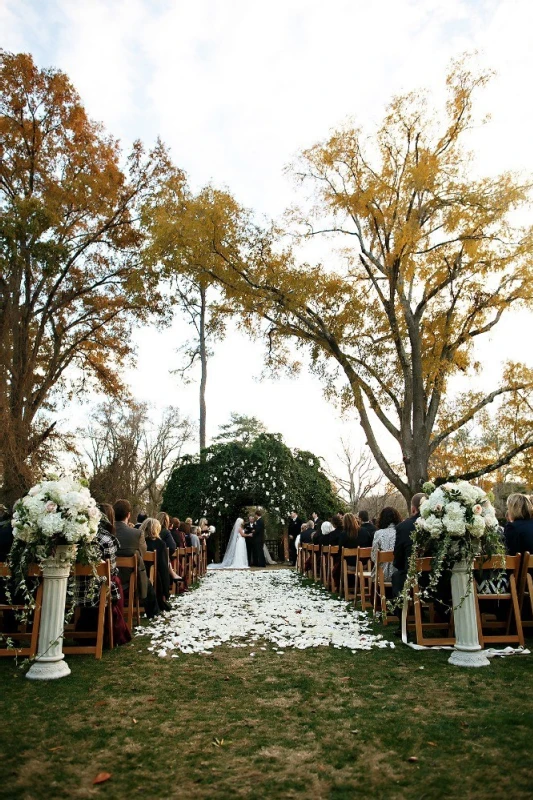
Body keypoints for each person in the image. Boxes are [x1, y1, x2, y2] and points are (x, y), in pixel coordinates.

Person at [75, 503, 131, 645]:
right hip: (98, 591)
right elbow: (111, 570)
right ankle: (111, 630)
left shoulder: (78, 536)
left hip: (75, 590)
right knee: (115, 580)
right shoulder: (107, 540)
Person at [113, 499, 159, 618]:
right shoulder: (136, 533)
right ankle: (152, 612)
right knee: (144, 577)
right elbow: (142, 553)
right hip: (129, 578)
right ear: (128, 514)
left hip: (108, 576)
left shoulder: (107, 532)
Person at [391, 493, 426, 598]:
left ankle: (401, 610)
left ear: (413, 509)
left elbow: (398, 558)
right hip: (436, 576)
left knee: (397, 576)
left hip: (412, 576)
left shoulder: (403, 527)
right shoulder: (438, 524)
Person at [141, 517, 171, 612]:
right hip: (154, 579)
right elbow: (163, 568)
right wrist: (166, 591)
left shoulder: (141, 542)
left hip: (140, 575)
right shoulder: (161, 544)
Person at [371, 507, 402, 580]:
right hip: (399, 573)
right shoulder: (401, 532)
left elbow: (374, 556)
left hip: (382, 575)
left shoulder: (378, 533)